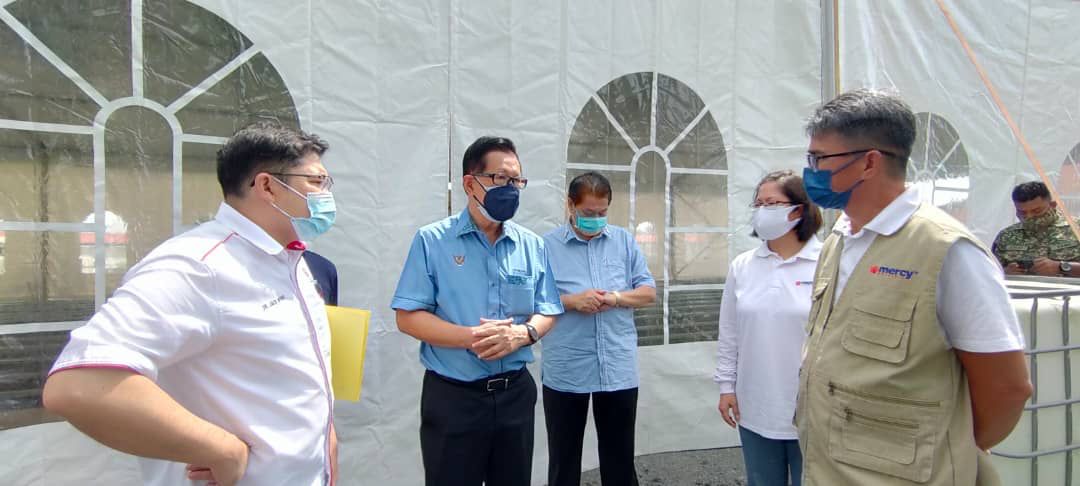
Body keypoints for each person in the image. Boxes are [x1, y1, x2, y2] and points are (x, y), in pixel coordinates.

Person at [42, 122, 340, 486]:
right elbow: (79, 385)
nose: (326, 195)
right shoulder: (198, 265)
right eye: (316, 182)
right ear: (267, 186)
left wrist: (325, 444)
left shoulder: (290, 261)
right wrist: (221, 450)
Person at [795, 89, 1031, 485]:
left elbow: (1007, 387)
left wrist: (949, 446)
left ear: (869, 162)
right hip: (832, 471)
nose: (811, 172)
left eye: (819, 159)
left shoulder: (946, 250)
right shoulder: (840, 238)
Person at [391, 136, 564, 486]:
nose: (511, 189)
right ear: (470, 183)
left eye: (516, 181)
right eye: (501, 179)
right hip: (454, 398)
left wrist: (523, 334)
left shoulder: (531, 245)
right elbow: (407, 316)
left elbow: (548, 309)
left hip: (515, 394)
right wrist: (471, 338)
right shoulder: (432, 241)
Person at [541, 171, 657, 486]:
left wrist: (616, 297)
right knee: (564, 458)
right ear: (570, 205)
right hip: (567, 367)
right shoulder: (546, 246)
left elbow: (648, 292)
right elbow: (531, 301)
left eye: (602, 212)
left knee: (619, 458)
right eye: (588, 212)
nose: (595, 219)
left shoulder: (623, 241)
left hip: (616, 366)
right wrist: (572, 301)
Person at [715, 170, 822, 486]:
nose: (762, 211)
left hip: (813, 409)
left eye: (772, 203)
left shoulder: (828, 262)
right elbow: (729, 333)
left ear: (798, 210)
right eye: (758, 203)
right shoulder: (744, 266)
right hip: (756, 406)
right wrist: (726, 387)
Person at [991, 181, 1080, 276]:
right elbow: (989, 272)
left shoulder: (1076, 228)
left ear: (1052, 205)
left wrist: (1061, 267)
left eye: (1037, 211)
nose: (1029, 216)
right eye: (1022, 212)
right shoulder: (1006, 236)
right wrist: (1005, 272)